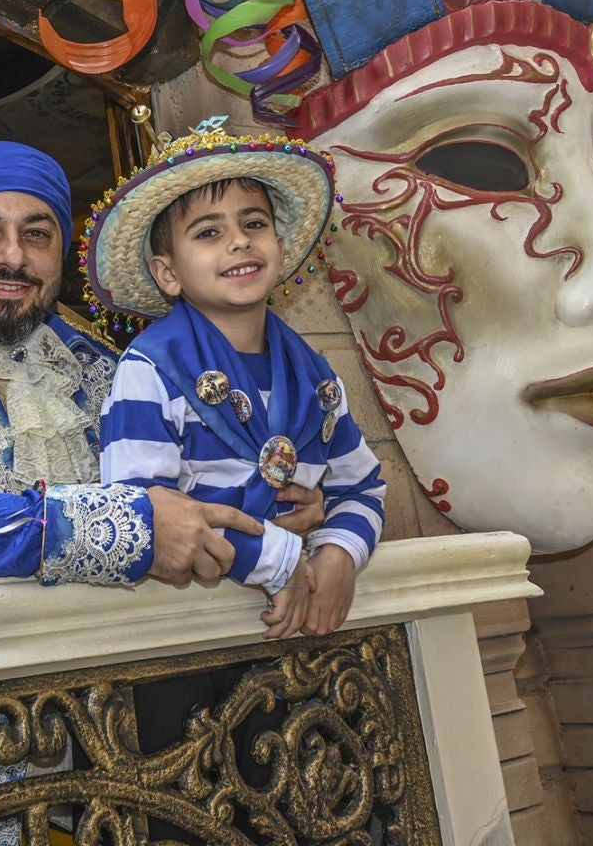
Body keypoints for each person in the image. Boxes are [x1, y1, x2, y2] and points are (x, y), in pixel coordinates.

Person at [0, 141, 324, 588]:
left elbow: (203, 484)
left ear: (61, 251)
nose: (13, 257)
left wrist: (278, 502)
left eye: (38, 235)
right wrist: (130, 527)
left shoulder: (115, 367)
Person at [85, 121, 386, 641]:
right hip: (190, 627)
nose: (239, 241)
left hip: (305, 612)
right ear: (168, 273)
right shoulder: (149, 369)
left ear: (280, 245)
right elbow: (140, 509)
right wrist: (279, 560)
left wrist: (340, 554)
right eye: (208, 233)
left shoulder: (317, 378)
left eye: (254, 223)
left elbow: (361, 487)